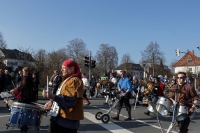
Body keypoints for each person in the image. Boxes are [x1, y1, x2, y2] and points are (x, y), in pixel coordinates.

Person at [42, 59, 84, 133]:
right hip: (60, 119)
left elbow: (69, 101)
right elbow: (61, 95)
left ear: (71, 69)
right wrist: (51, 101)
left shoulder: (74, 81)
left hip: (66, 123)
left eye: (64, 68)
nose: (61, 70)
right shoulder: (67, 80)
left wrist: (53, 97)